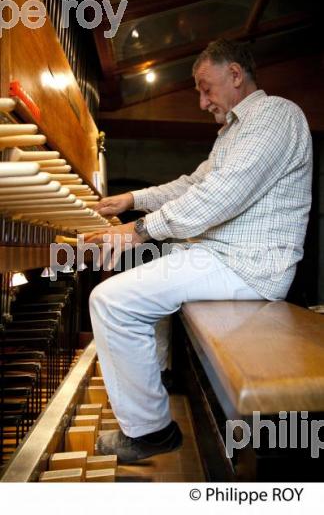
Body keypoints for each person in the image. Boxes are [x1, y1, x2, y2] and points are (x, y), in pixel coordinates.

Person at [85, 39, 312, 463]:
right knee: (146, 274)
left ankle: (151, 432)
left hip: (248, 267)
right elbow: (193, 185)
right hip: (222, 257)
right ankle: (160, 382)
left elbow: (220, 197)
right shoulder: (236, 131)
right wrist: (132, 199)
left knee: (110, 301)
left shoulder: (275, 116)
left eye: (206, 88)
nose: (203, 101)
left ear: (235, 75)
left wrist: (138, 231)